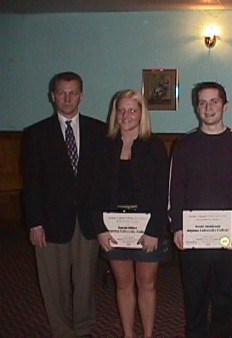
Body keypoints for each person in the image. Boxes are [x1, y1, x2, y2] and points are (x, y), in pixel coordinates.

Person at [23, 71, 106, 337]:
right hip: (50, 221)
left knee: (84, 281)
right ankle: (60, 328)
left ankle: (82, 327)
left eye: (72, 93)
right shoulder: (36, 134)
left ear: (81, 95)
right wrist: (34, 223)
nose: (67, 98)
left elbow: (104, 180)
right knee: (53, 281)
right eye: (61, 92)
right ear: (52, 96)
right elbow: (32, 183)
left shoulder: (99, 130)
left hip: (87, 221)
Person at [169, 82, 232, 338]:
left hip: (228, 236)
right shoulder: (183, 145)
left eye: (214, 102)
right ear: (196, 108)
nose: (208, 108)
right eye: (202, 103)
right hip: (193, 237)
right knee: (195, 295)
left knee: (225, 295)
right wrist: (177, 228)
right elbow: (175, 191)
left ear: (225, 106)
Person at [91, 89, 169, 338]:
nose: (126, 115)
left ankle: (147, 335)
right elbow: (93, 190)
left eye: (132, 110)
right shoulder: (104, 145)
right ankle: (128, 334)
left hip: (147, 228)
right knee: (123, 284)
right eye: (121, 110)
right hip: (112, 228)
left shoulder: (154, 146)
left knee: (146, 284)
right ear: (115, 113)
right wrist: (100, 229)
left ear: (142, 113)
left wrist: (154, 230)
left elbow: (161, 192)